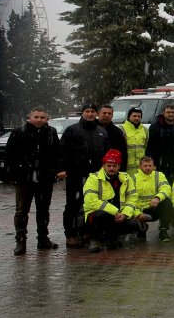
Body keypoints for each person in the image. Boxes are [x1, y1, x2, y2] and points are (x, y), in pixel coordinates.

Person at [6, 107, 62, 255]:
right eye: (36, 117)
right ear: (29, 117)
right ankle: (20, 240)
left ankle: (43, 238)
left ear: (47, 118)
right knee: (21, 211)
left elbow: (57, 154)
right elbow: (10, 155)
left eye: (42, 117)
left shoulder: (51, 132)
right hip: (24, 179)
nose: (39, 120)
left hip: (45, 179)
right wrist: (14, 174)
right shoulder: (19, 132)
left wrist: (55, 171)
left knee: (43, 210)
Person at [60, 103, 109, 248]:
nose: (90, 114)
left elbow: (107, 153)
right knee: (73, 205)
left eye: (92, 111)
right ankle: (71, 234)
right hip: (75, 175)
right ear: (82, 113)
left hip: (95, 176)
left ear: (96, 113)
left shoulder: (101, 131)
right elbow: (62, 151)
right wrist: (62, 168)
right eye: (87, 111)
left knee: (93, 205)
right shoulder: (72, 130)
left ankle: (89, 232)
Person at [82, 149, 139, 253]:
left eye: (114, 166)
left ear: (119, 166)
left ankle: (111, 237)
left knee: (135, 224)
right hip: (96, 214)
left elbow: (133, 198)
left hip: (118, 214)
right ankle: (94, 239)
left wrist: (125, 214)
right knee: (104, 215)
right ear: (104, 165)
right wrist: (115, 212)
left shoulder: (126, 178)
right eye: (109, 165)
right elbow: (91, 201)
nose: (111, 168)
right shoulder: (93, 178)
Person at [126, 156, 173, 242]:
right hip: (140, 210)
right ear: (140, 167)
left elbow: (166, 188)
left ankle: (163, 231)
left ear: (154, 166)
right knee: (141, 239)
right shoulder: (133, 179)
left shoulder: (159, 175)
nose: (148, 168)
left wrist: (158, 197)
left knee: (167, 202)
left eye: (150, 165)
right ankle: (141, 228)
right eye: (145, 166)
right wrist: (138, 214)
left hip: (154, 207)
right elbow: (130, 199)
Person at [146, 104, 174, 181]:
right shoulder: (155, 126)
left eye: (173, 112)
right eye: (168, 112)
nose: (171, 114)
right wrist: (152, 163)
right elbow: (150, 146)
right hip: (160, 161)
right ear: (164, 113)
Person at [97, 105, 127, 171]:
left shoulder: (117, 132)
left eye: (109, 113)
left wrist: (122, 170)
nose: (107, 115)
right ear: (98, 114)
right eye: (104, 113)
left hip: (112, 169)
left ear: (112, 115)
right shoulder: (91, 129)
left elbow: (123, 153)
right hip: (95, 168)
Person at [121, 107, 148, 176]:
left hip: (141, 169)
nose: (137, 118)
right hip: (126, 169)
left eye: (139, 116)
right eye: (134, 116)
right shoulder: (121, 129)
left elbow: (146, 147)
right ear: (129, 116)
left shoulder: (145, 130)